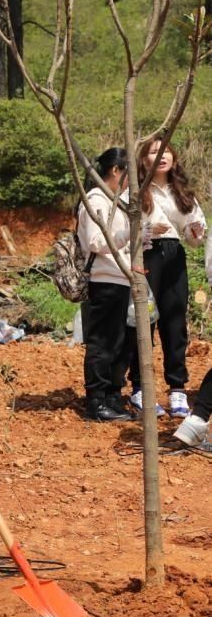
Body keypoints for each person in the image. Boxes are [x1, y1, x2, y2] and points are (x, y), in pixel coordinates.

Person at [129, 137, 204, 418]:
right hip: (146, 255)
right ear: (144, 158)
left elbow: (193, 233)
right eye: (153, 151)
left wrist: (195, 232)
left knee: (175, 323)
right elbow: (125, 228)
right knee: (143, 323)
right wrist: (148, 229)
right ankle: (139, 389)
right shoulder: (136, 189)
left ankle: (177, 389)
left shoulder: (181, 191)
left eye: (166, 152)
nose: (161, 156)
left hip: (175, 255)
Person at [79, 148, 134, 422]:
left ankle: (111, 397)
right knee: (102, 342)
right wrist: (129, 234)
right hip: (104, 280)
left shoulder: (114, 201)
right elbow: (96, 242)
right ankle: (96, 402)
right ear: (116, 170)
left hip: (119, 278)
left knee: (117, 342)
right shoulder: (95, 200)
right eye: (129, 174)